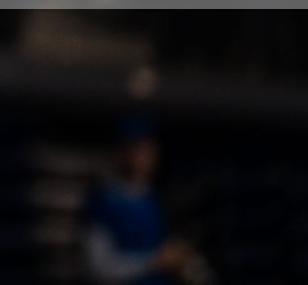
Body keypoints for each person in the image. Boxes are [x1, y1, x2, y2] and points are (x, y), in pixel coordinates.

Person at [82, 115, 211, 285]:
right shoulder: (104, 200)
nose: (145, 156)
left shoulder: (154, 198)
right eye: (138, 148)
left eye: (149, 149)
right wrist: (154, 261)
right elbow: (98, 268)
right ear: (123, 151)